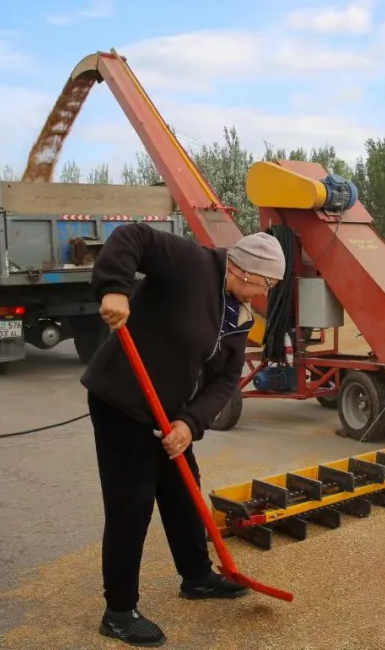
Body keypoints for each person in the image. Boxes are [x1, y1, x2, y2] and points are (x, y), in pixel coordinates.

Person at [79, 222, 286, 647]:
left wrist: (190, 424)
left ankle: (197, 577)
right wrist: (114, 289)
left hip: (171, 415)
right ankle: (119, 611)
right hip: (123, 401)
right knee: (131, 504)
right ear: (245, 271)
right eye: (265, 284)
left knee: (182, 490)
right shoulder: (191, 263)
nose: (264, 294)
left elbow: (224, 380)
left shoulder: (239, 315)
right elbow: (132, 237)